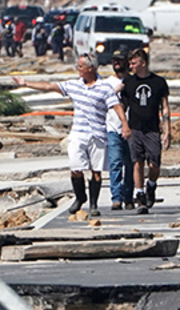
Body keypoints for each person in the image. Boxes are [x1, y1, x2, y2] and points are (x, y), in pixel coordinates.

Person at [14, 54, 129, 217]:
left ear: (90, 68)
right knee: (75, 168)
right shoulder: (74, 85)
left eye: (80, 66)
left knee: (96, 171)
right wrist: (26, 83)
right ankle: (80, 196)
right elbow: (48, 86)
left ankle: (94, 205)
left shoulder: (105, 88)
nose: (78, 69)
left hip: (98, 134)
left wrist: (125, 124)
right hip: (78, 134)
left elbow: (116, 106)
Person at [122, 48, 172, 214]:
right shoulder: (128, 82)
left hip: (152, 128)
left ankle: (151, 184)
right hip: (135, 128)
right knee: (137, 162)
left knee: (154, 163)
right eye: (130, 63)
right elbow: (122, 105)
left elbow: (164, 108)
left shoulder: (158, 82)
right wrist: (124, 125)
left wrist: (167, 130)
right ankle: (140, 196)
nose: (131, 66)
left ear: (143, 63)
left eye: (134, 63)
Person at [103, 50, 135, 210]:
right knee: (115, 163)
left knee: (131, 164)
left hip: (132, 129)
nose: (117, 63)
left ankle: (129, 196)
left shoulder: (133, 81)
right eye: (114, 60)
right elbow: (102, 102)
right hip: (113, 128)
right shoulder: (107, 83)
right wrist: (116, 90)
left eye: (120, 60)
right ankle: (116, 197)